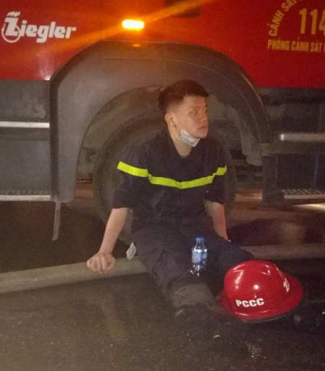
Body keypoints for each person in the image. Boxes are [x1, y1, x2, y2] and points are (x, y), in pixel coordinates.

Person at [86, 80, 252, 340]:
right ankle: (200, 319)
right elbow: (121, 206)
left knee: (239, 262)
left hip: (194, 227)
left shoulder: (213, 151)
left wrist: (222, 242)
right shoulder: (143, 153)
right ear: (171, 119)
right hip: (154, 229)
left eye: (205, 110)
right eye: (194, 112)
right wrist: (104, 251)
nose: (203, 118)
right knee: (176, 269)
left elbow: (214, 203)